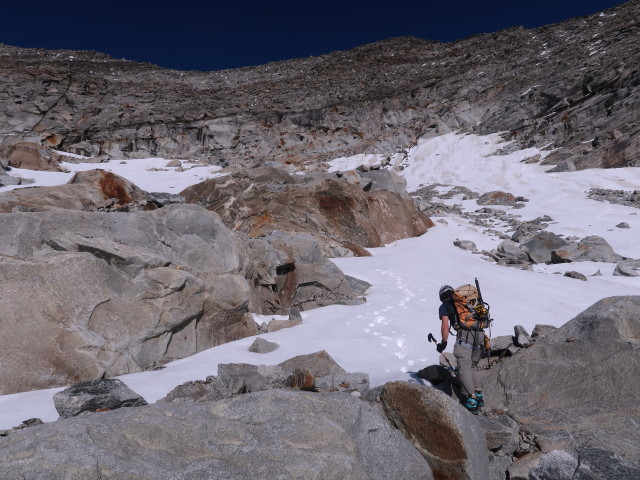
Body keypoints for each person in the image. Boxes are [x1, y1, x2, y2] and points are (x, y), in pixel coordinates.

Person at [436, 284, 485, 414]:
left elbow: (445, 325)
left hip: (465, 336)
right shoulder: (467, 302)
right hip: (480, 335)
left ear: (441, 297)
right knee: (473, 365)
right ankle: (479, 395)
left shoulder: (445, 306)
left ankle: (471, 399)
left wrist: (443, 342)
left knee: (464, 368)